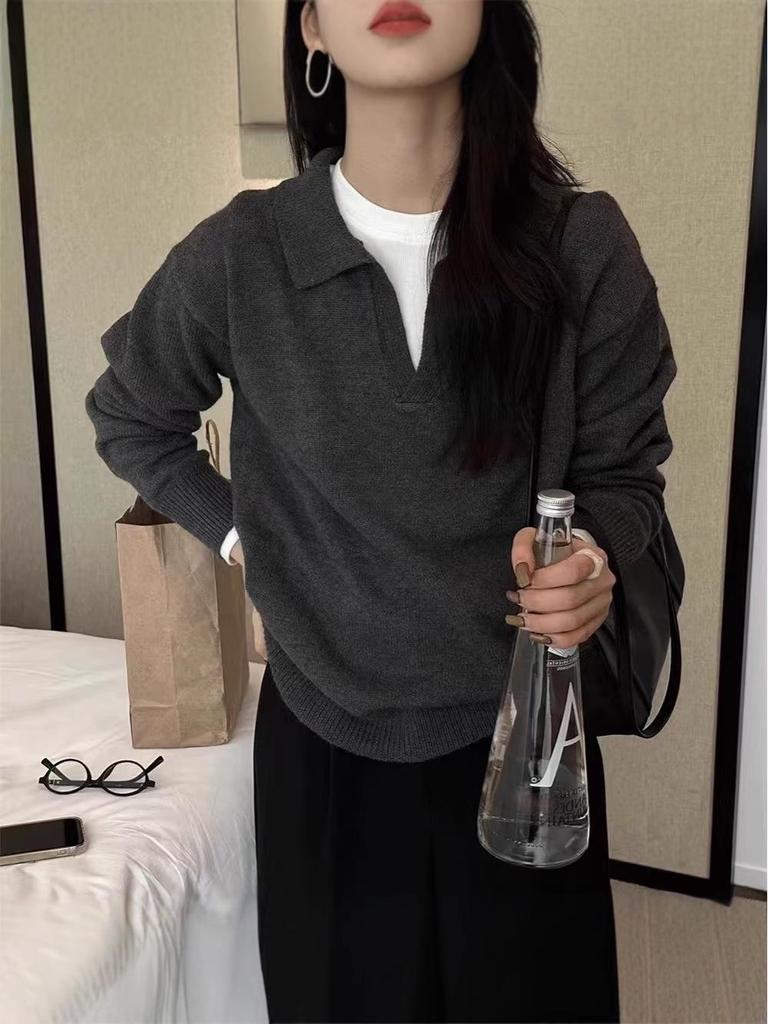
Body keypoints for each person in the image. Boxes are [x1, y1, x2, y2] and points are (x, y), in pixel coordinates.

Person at [85, 1, 677, 1020]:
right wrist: (248, 537)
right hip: (324, 752)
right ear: (312, 27)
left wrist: (591, 556)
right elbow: (131, 414)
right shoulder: (246, 251)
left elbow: (625, 473)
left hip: (525, 742)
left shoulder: (581, 245)